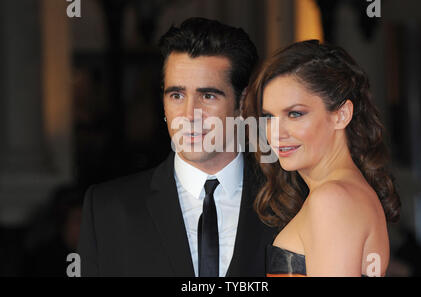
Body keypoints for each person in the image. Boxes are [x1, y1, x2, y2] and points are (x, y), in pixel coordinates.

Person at [77, 17, 276, 277]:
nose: (189, 114)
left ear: (242, 103)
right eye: (177, 95)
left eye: (208, 96)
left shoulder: (288, 200)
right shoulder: (107, 209)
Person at [242, 40, 401, 277]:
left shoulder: (332, 200)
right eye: (269, 117)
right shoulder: (346, 194)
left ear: (341, 115)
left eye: (295, 114)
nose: (276, 133)